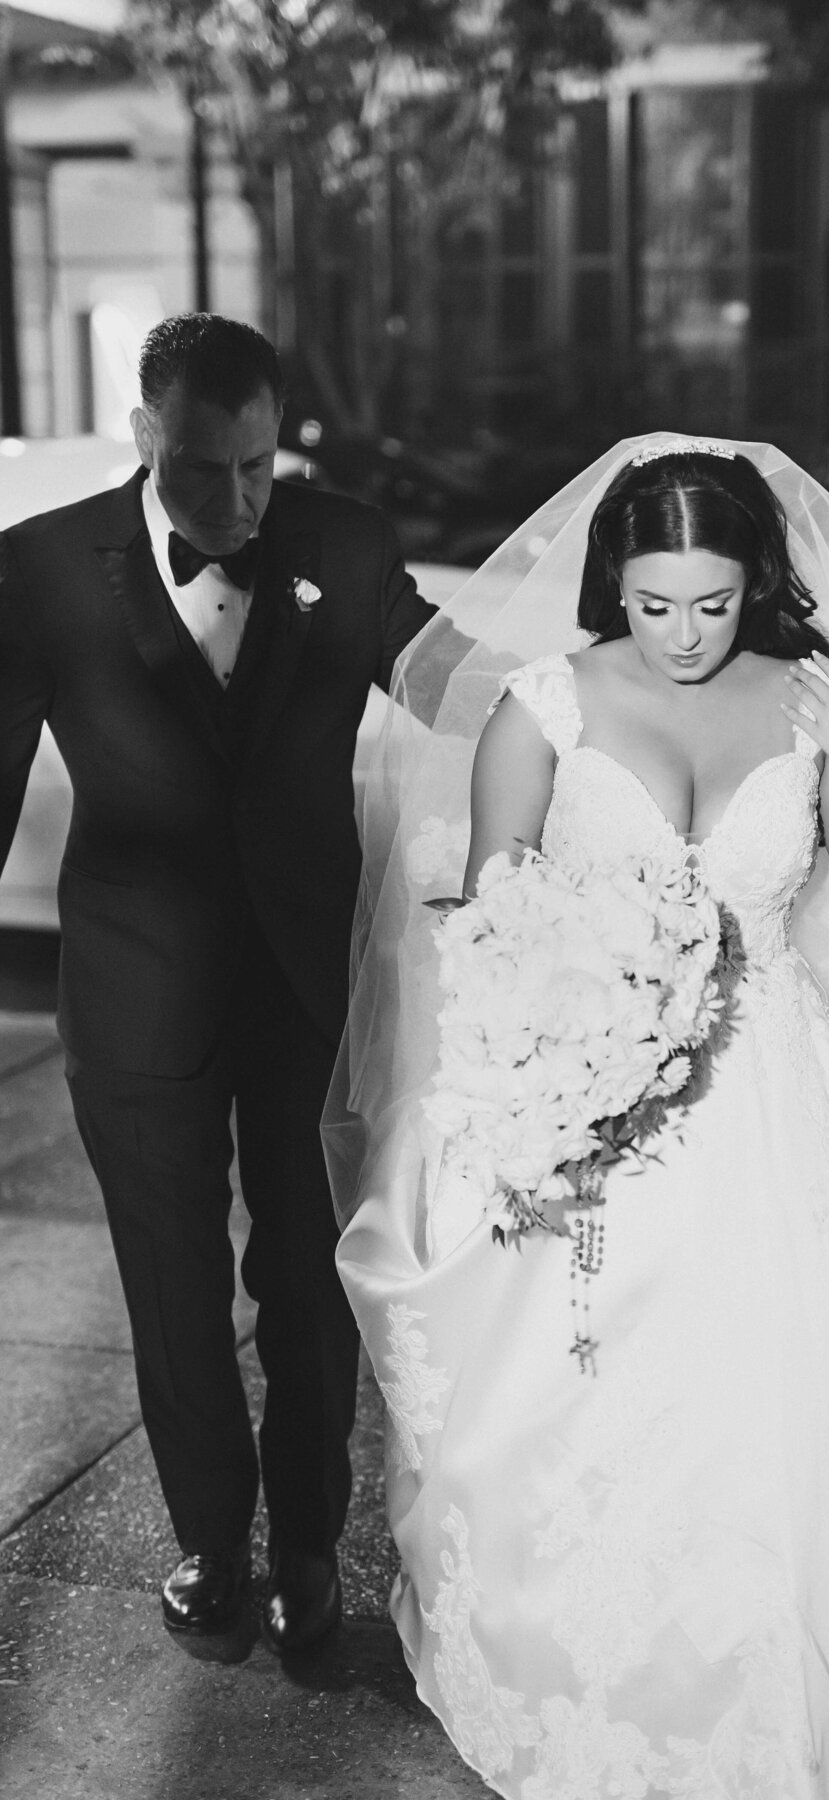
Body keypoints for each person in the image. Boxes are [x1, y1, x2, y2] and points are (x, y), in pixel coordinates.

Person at [325, 434, 829, 1797]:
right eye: (656, 603)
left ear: (759, 587)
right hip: (589, 1107)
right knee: (579, 1409)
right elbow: (492, 919)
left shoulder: (813, 700)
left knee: (771, 1415)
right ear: (612, 581)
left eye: (716, 604)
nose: (685, 635)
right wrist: (546, 1082)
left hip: (768, 1111)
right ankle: (573, 1689)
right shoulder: (547, 706)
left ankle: (757, 1724)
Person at [0, 313, 435, 1648]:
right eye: (205, 470)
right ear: (147, 436)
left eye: (259, 468)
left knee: (308, 1281)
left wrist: (628, 704)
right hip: (137, 995)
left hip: (307, 987)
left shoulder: (346, 544)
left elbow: (444, 674)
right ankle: (211, 1547)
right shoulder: (36, 568)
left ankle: (310, 1553)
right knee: (172, 1284)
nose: (240, 499)